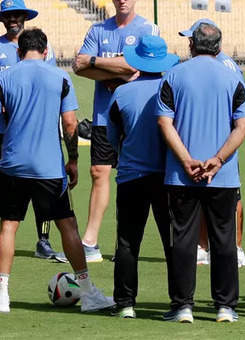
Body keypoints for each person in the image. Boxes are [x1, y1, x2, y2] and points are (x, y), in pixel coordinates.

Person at [0, 28, 114, 314]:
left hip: (13, 164)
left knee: (8, 226)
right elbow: (69, 124)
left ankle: (2, 295)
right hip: (49, 167)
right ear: (45, 51)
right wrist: (74, 159)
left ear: (19, 52)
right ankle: (88, 292)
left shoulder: (3, 78)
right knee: (67, 226)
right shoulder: (61, 77)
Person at [156, 22, 245, 324]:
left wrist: (186, 160)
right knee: (223, 240)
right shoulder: (233, 77)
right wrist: (219, 160)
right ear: (220, 47)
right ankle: (226, 306)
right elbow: (244, 124)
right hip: (221, 176)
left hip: (182, 175)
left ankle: (183, 305)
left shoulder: (173, 75)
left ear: (191, 46)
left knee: (183, 240)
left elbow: (164, 122)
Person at [73, 0, 159, 262]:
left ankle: (127, 242)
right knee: (99, 172)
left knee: (132, 176)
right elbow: (80, 65)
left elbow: (139, 66)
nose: (121, 0)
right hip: (102, 115)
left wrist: (100, 64)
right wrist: (119, 70)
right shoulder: (99, 29)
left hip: (135, 115)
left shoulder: (147, 28)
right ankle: (90, 241)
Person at [0, 0, 61, 262]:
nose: (12, 20)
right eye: (8, 16)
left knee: (42, 183)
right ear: (2, 19)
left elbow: (52, 84)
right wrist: (8, 107)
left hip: (36, 130)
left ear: (25, 18)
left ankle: (43, 240)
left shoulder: (45, 49)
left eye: (17, 15)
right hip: (2, 130)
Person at [106, 34, 179, 319]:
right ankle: (179, 300)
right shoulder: (171, 88)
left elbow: (112, 135)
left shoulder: (121, 93)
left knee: (126, 241)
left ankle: (125, 303)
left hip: (130, 176)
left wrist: (125, 152)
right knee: (172, 240)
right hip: (166, 176)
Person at [180, 19, 245, 268]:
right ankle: (204, 245)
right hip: (216, 138)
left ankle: (235, 246)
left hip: (221, 141)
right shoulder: (217, 65)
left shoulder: (224, 67)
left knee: (231, 196)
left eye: (192, 39)